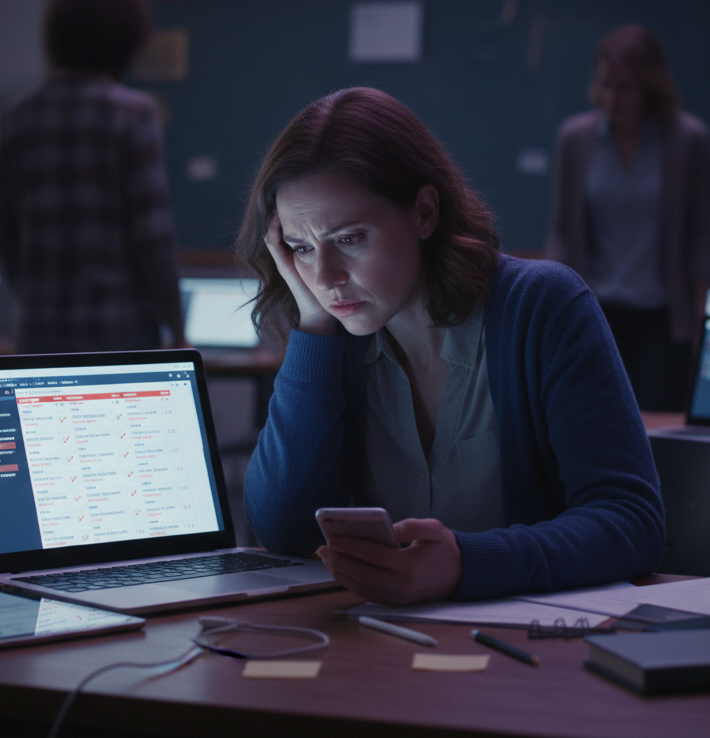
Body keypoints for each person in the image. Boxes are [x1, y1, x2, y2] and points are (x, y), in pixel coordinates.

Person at [237, 87, 665, 605]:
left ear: (424, 212)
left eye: (349, 239)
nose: (325, 277)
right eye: (302, 249)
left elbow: (631, 522)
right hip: (381, 646)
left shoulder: (542, 307)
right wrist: (311, 328)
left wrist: (466, 563)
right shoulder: (334, 338)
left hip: (536, 649)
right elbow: (283, 531)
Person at [0, 0, 184, 354]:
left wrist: (38, 303)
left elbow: (5, 234)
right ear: (124, 40)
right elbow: (153, 239)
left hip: (39, 330)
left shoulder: (18, 116)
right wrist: (177, 327)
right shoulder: (132, 112)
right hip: (119, 331)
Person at [544, 24, 710, 411]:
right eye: (606, 85)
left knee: (658, 434)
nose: (612, 98)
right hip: (593, 313)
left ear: (650, 88)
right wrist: (550, 311)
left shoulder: (688, 140)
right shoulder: (576, 138)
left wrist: (701, 329)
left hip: (661, 320)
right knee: (590, 424)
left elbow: (700, 241)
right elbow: (562, 231)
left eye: (625, 88)